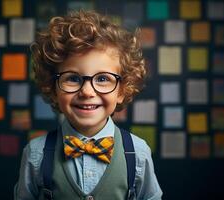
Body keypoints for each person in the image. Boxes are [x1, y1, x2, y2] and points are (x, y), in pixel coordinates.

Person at [14, 10, 162, 200]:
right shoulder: (36, 153)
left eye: (102, 78)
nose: (87, 91)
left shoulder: (138, 152)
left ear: (122, 90)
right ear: (53, 88)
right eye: (73, 78)